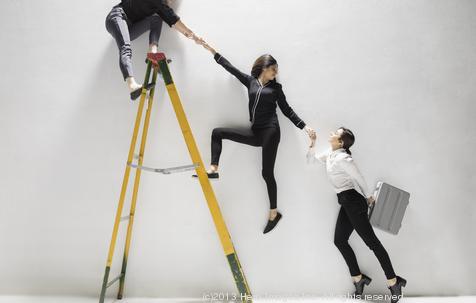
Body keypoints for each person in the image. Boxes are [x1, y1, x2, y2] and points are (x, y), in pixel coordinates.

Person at [193, 41, 315, 234]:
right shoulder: (250, 81)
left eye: (277, 70)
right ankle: (213, 168)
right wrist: (211, 50)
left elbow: (287, 110)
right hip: (256, 131)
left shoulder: (276, 89)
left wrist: (304, 126)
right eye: (273, 69)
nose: (276, 72)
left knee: (266, 173)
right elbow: (231, 68)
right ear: (264, 68)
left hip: (271, 131)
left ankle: (274, 213)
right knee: (218, 132)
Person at [307, 127, 406, 302]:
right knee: (339, 240)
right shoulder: (331, 153)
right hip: (346, 202)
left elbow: (359, 177)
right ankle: (359, 279)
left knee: (372, 243)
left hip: (354, 203)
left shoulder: (344, 158)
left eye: (335, 133)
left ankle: (393, 281)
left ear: (341, 142)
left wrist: (369, 197)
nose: (331, 134)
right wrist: (313, 143)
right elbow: (311, 162)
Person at [105, 0, 202, 100]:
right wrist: (194, 37)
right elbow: (174, 20)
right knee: (125, 48)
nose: (172, 2)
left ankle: (152, 53)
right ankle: (131, 85)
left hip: (129, 27)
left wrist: (194, 38)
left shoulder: (159, 6)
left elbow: (172, 19)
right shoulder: (158, 2)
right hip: (117, 17)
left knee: (156, 20)